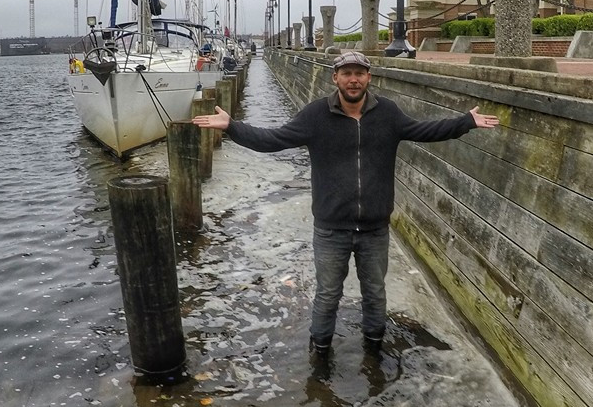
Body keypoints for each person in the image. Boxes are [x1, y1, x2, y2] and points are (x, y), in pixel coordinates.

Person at [192, 50, 499, 354]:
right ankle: (320, 353)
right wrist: (232, 126)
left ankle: (374, 349)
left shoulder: (388, 113)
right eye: (347, 73)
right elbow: (273, 139)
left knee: (375, 294)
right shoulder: (315, 116)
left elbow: (426, 130)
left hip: (375, 230)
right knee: (327, 295)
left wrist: (466, 122)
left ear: (369, 77)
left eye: (359, 73)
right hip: (331, 230)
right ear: (335, 78)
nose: (354, 80)